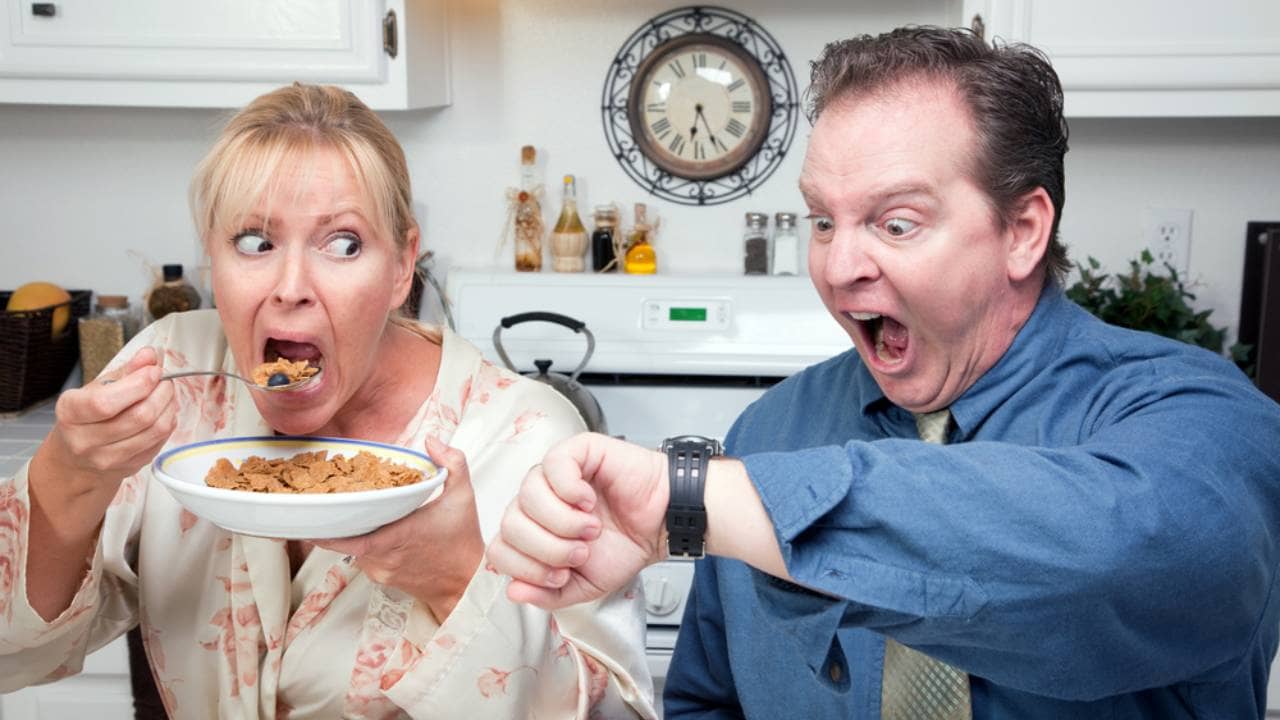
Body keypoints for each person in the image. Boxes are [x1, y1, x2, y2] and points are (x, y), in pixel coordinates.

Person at [487, 26, 1280, 719]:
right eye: (823, 220)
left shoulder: (1201, 419)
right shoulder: (768, 433)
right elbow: (709, 700)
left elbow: (1119, 555)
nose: (839, 267)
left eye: (895, 223)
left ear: (1022, 231)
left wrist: (700, 500)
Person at [0, 83, 655, 719]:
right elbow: (11, 657)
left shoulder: (527, 437)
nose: (291, 287)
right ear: (211, 258)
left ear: (402, 266)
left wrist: (456, 581)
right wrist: (69, 477)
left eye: (344, 244)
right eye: (254, 241)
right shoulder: (175, 373)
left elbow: (616, 714)